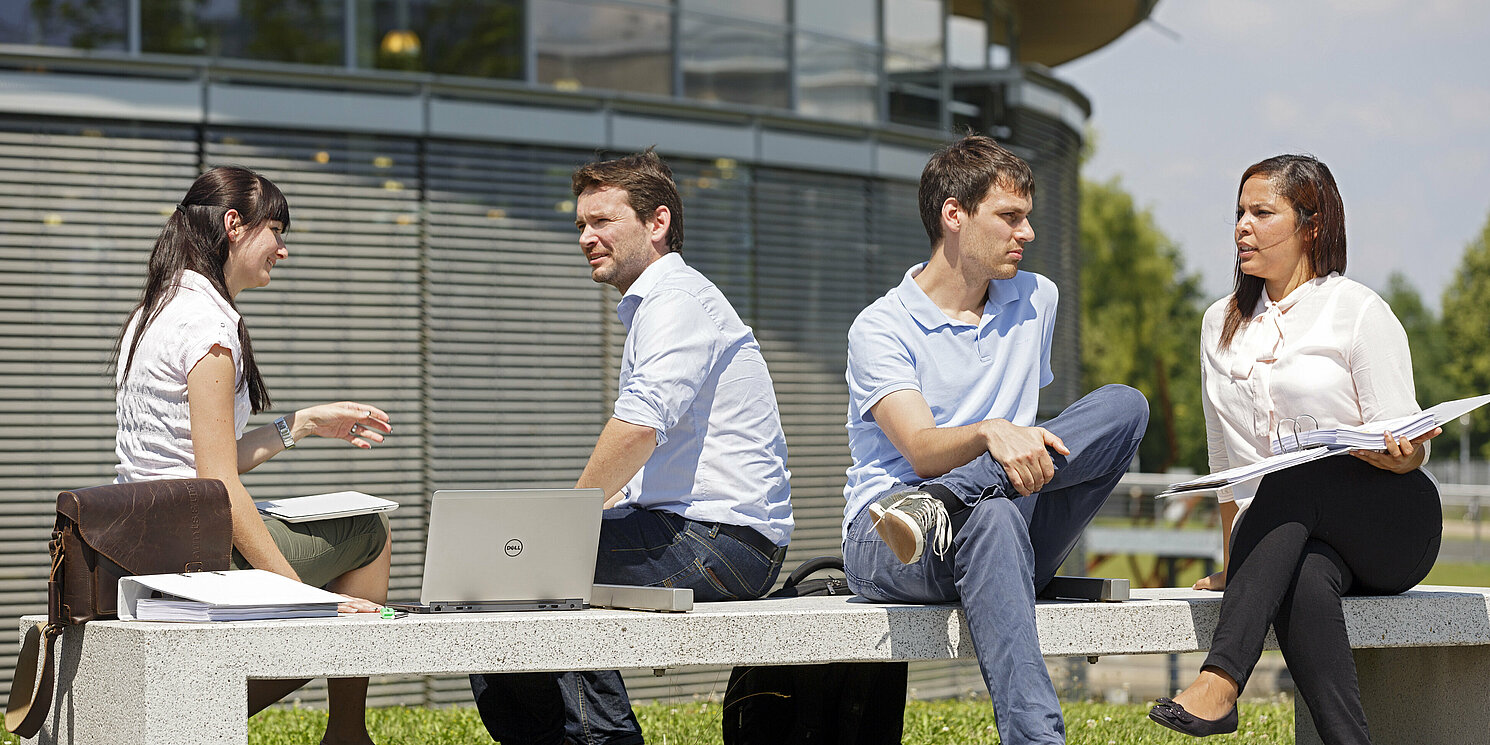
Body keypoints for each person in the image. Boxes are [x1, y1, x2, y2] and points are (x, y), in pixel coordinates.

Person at [469, 149, 793, 745]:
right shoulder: (661, 304)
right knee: (505, 568)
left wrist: (566, 521)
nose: (587, 237)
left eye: (602, 222)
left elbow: (639, 427)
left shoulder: (676, 303)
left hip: (720, 544)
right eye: (581, 226)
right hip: (702, 534)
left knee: (516, 567)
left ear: (657, 222)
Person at [842, 134, 1148, 745]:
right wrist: (989, 432)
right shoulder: (880, 327)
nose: (1027, 233)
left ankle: (947, 503)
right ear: (953, 215)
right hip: (892, 536)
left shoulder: (1038, 299)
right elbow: (922, 450)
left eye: (1027, 217)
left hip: (1000, 517)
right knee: (994, 519)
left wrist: (1000, 458)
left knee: (1125, 406)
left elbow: (1057, 441)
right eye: (1009, 217)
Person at [1148, 155, 1441, 743]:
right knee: (1303, 579)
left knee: (1296, 469)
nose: (1242, 228)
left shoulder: (1359, 312)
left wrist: (1401, 451)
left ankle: (1222, 679)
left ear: (1311, 225)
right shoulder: (1219, 324)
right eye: (1238, 213)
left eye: (1262, 212)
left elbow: (1409, 454)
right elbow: (1228, 463)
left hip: (1391, 523)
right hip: (1298, 539)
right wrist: (1241, 565)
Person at [112, 166, 395, 745]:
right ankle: (341, 731)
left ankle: (194, 718)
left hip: (145, 535)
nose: (284, 251)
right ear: (234, 225)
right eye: (277, 231)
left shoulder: (155, 312)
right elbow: (218, 484)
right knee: (369, 533)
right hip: (194, 547)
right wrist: (303, 601)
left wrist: (304, 424)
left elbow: (197, 460)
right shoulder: (209, 326)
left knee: (334, 577)